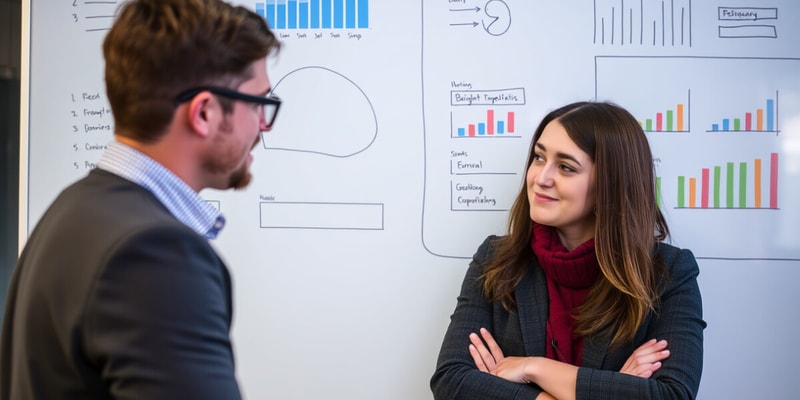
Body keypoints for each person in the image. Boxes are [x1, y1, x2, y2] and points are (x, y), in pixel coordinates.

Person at [0, 0, 281, 398]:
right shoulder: (156, 254)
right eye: (258, 104)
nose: (264, 125)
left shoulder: (73, 209)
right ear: (204, 113)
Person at [430, 101, 706, 400]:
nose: (541, 178)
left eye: (565, 167)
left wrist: (534, 368)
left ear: (609, 185)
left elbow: (672, 396)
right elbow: (451, 382)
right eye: (538, 157)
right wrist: (608, 387)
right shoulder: (495, 258)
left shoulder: (669, 272)